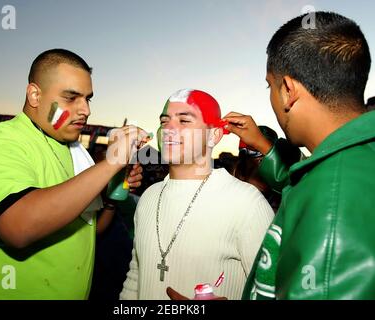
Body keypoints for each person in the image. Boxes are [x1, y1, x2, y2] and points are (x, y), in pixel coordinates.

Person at [0, 49, 148, 299]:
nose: (85, 110)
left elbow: (89, 230)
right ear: (34, 95)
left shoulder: (75, 151)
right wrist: (110, 164)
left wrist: (108, 196)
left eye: (88, 98)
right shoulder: (1, 141)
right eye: (71, 97)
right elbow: (18, 228)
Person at [224, 11, 375, 299]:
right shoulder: (352, 158)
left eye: (270, 85)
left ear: (288, 90)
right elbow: (301, 181)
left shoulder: (333, 197)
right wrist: (263, 146)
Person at [120, 89, 274, 300]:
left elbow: (273, 290)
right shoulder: (148, 196)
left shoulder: (247, 203)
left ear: (214, 135)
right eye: (164, 121)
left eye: (184, 121)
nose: (169, 129)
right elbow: (136, 277)